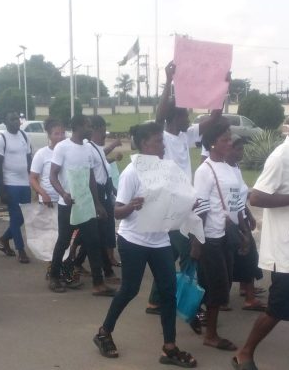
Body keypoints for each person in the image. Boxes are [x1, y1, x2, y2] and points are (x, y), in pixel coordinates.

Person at [93, 122, 198, 367]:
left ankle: (169, 348)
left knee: (168, 292)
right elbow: (117, 211)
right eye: (158, 141)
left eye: (162, 140)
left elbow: (173, 200)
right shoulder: (132, 173)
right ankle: (103, 332)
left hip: (160, 240)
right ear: (143, 144)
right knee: (130, 289)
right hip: (134, 240)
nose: (163, 145)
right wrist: (131, 206)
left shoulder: (166, 170)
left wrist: (188, 204)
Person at [232, 104, 289, 370]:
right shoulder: (281, 156)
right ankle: (244, 353)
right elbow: (256, 197)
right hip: (286, 252)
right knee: (278, 309)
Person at [147, 61, 223, 313]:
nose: (189, 119)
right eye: (185, 115)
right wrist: (169, 80)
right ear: (174, 118)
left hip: (183, 203)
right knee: (187, 251)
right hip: (169, 205)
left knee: (171, 253)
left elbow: (215, 118)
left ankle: (157, 300)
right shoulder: (162, 136)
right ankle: (183, 299)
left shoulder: (185, 135)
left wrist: (222, 87)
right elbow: (160, 115)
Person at [48, 114, 114, 295]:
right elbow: (52, 175)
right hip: (68, 204)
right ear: (78, 127)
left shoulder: (88, 149)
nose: (91, 129)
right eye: (88, 126)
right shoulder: (63, 147)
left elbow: (91, 178)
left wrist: (97, 203)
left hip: (85, 204)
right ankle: (54, 277)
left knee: (93, 241)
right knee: (63, 241)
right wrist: (63, 193)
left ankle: (98, 284)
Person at [191, 121, 238, 351]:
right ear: (211, 143)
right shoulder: (205, 170)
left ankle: (196, 313)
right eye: (224, 140)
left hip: (226, 234)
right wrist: (197, 242)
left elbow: (233, 201)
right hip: (210, 237)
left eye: (230, 139)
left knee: (224, 283)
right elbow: (199, 207)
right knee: (217, 286)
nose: (229, 143)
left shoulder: (228, 167)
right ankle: (210, 335)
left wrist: (242, 230)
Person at [75, 115, 123, 280]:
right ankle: (106, 271)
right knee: (98, 234)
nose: (104, 135)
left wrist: (113, 190)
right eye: (103, 131)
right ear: (95, 129)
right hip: (96, 195)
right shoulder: (88, 148)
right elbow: (90, 176)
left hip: (104, 193)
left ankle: (76, 261)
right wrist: (97, 202)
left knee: (95, 233)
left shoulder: (97, 148)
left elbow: (103, 168)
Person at [225, 136, 265, 311]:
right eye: (238, 149)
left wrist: (249, 214)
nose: (242, 152)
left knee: (246, 256)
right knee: (246, 256)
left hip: (240, 217)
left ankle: (245, 289)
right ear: (228, 149)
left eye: (242, 148)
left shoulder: (236, 168)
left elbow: (241, 196)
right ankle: (248, 298)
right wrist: (243, 225)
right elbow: (232, 200)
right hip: (231, 221)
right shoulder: (224, 170)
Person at [0, 111, 32, 263]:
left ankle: (4, 239)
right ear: (6, 121)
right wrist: (2, 189)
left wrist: (32, 179)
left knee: (24, 216)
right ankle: (20, 250)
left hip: (25, 183)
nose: (16, 122)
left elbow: (29, 158)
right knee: (15, 216)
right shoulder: (1, 139)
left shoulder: (25, 136)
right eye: (12, 119)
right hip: (10, 183)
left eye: (17, 119)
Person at [29, 118, 64, 208]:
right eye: (56, 134)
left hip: (65, 200)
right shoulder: (42, 153)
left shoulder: (68, 152)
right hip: (49, 201)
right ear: (49, 135)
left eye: (62, 133)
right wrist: (43, 194)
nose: (60, 137)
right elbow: (33, 178)